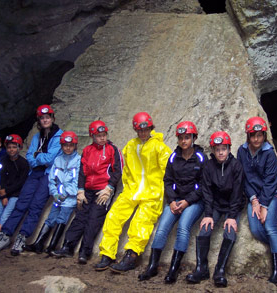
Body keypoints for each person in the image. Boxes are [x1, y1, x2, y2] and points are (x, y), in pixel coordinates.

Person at [95, 112, 172, 273]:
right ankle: (107, 254)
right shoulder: (130, 146)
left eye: (146, 130)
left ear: (151, 128)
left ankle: (131, 255)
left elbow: (168, 171)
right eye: (139, 130)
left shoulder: (160, 147)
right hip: (132, 191)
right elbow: (127, 170)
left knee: (141, 222)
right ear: (136, 130)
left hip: (152, 193)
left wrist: (165, 191)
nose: (143, 133)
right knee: (114, 216)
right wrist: (128, 186)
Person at [138, 121, 207, 283]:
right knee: (162, 229)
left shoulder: (200, 158)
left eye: (187, 137)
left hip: (194, 201)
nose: (184, 141)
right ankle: (152, 266)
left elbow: (204, 185)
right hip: (175, 200)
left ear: (193, 138)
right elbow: (167, 180)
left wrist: (187, 202)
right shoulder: (173, 157)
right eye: (181, 138)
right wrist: (172, 200)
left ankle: (173, 269)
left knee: (183, 227)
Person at [0, 104, 63, 255]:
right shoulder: (37, 137)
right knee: (22, 203)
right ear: (39, 120)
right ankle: (5, 235)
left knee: (36, 206)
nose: (45, 120)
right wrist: (37, 158)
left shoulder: (59, 136)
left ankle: (22, 237)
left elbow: (50, 159)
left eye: (47, 117)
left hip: (48, 175)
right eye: (42, 118)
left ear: (52, 118)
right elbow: (30, 158)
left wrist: (38, 156)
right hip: (34, 173)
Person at [236, 116, 277, 284]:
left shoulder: (269, 152)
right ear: (248, 136)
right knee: (256, 229)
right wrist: (254, 201)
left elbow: (271, 181)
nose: (256, 139)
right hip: (254, 195)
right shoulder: (242, 151)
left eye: (259, 135)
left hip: (271, 194)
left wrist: (263, 205)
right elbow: (244, 179)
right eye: (253, 135)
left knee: (270, 226)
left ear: (264, 135)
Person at [52, 121, 123, 264]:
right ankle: (68, 247)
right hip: (87, 189)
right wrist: (80, 190)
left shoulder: (112, 149)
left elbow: (118, 170)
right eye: (98, 136)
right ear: (92, 136)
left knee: (94, 219)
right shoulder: (87, 150)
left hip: (102, 190)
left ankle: (85, 251)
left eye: (104, 135)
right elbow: (82, 172)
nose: (102, 138)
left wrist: (109, 188)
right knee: (80, 217)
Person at [186, 131, 245, 288]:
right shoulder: (209, 166)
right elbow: (207, 191)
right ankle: (201, 268)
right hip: (217, 204)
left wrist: (232, 216)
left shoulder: (236, 166)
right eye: (217, 149)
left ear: (229, 149)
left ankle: (220, 270)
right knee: (205, 228)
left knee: (230, 231)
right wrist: (208, 214)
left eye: (223, 149)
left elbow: (238, 192)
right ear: (213, 150)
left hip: (233, 205)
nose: (220, 152)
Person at [24, 131, 81, 255]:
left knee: (62, 219)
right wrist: (54, 193)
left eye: (71, 145)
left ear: (75, 145)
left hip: (69, 198)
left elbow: (77, 181)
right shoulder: (58, 160)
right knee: (50, 219)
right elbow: (51, 179)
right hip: (57, 198)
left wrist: (65, 194)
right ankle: (39, 243)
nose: (68, 148)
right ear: (61, 146)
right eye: (65, 145)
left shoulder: (78, 160)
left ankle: (52, 246)